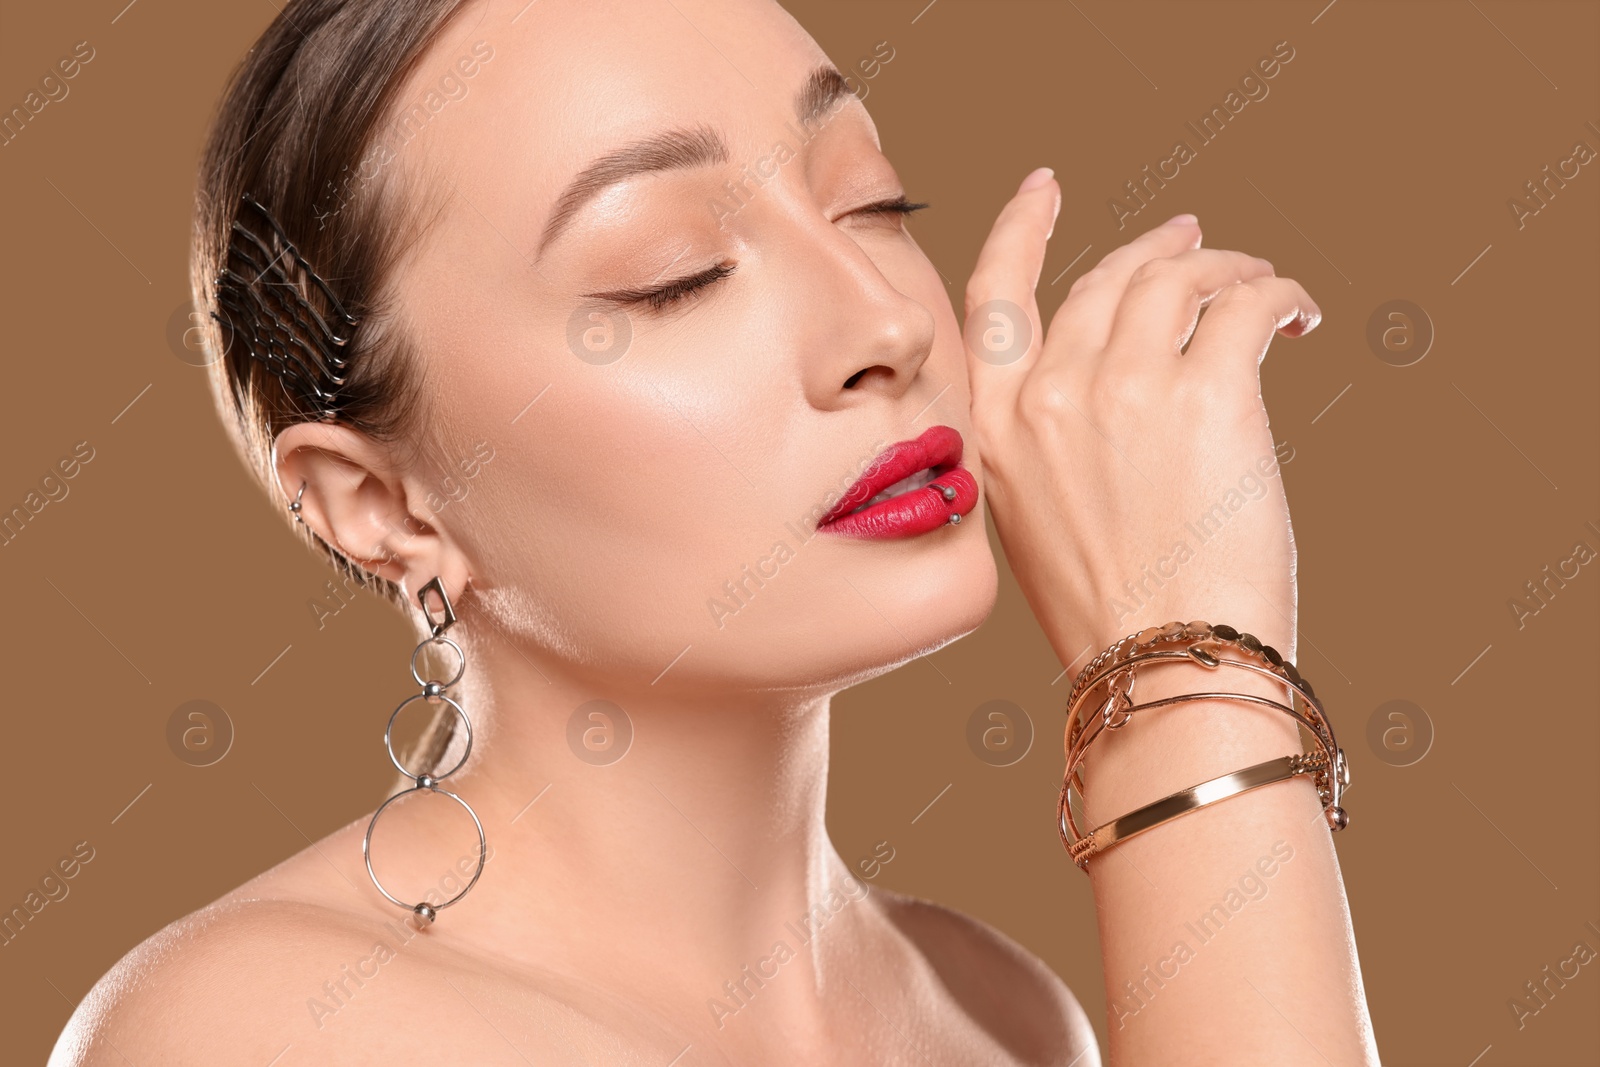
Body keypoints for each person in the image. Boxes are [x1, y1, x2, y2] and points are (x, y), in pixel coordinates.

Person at [52, 0, 1378, 1063]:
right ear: (383, 505)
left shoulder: (1009, 1017)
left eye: (871, 203)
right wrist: (1185, 688)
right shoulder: (270, 1031)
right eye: (672, 270)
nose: (886, 323)